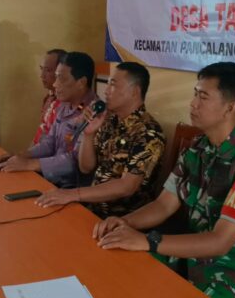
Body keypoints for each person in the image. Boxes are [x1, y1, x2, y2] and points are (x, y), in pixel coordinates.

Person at [92, 62, 235, 298]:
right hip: (194, 256)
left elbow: (220, 242)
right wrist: (125, 222)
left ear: (230, 107)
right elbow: (164, 204)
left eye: (203, 97)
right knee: (120, 272)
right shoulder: (198, 148)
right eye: (195, 94)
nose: (193, 104)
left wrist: (148, 241)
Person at [36, 62, 165, 218]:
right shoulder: (108, 120)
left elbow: (127, 186)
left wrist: (72, 194)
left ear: (134, 91)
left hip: (122, 219)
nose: (106, 91)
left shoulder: (148, 132)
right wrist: (88, 134)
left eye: (113, 85)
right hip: (92, 208)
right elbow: (86, 167)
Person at [0, 52, 97, 188]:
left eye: (61, 79)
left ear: (81, 82)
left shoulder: (93, 113)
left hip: (72, 189)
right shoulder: (64, 106)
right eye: (55, 77)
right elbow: (49, 143)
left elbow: (74, 161)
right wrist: (22, 156)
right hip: (52, 180)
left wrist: (30, 164)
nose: (55, 84)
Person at [33, 49, 67, 144]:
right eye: (41, 69)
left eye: (48, 70)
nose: (42, 75)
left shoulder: (67, 105)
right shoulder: (49, 97)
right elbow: (41, 132)